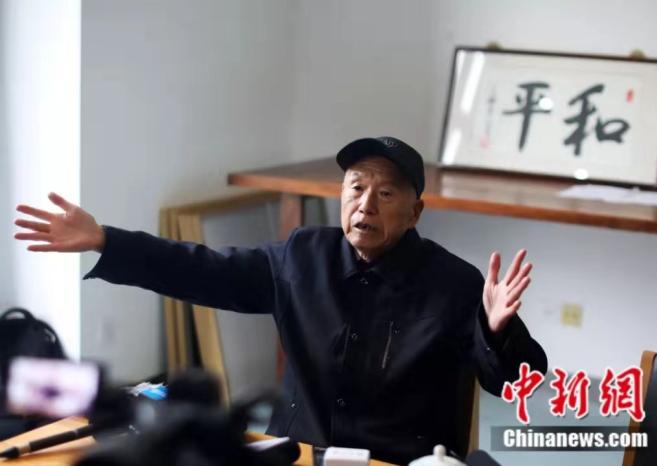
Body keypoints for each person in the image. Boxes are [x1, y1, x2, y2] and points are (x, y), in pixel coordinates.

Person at [14, 136, 547, 464]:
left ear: (415, 212)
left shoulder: (453, 283)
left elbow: (513, 381)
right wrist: (107, 240)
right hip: (296, 455)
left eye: (386, 194)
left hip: (395, 461)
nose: (366, 205)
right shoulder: (303, 255)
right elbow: (202, 268)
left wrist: (498, 331)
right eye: (356, 188)